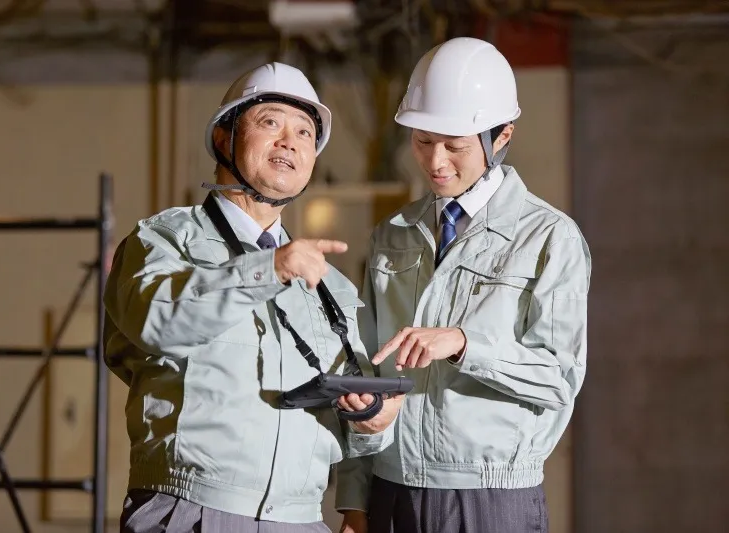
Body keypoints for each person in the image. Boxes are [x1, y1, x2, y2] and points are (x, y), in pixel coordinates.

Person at [103, 62, 403, 533]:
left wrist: (371, 418)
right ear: (224, 137)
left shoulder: (330, 287)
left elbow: (353, 425)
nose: (290, 141)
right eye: (270, 122)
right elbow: (155, 324)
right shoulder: (165, 240)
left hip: (301, 519)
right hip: (191, 508)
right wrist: (269, 269)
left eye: (305, 133)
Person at [336, 37, 591, 533]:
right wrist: (354, 499)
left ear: (502, 136)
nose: (435, 162)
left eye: (455, 146)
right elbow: (363, 366)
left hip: (491, 497)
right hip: (391, 488)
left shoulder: (548, 237)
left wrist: (464, 344)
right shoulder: (393, 235)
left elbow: (559, 378)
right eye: (422, 141)